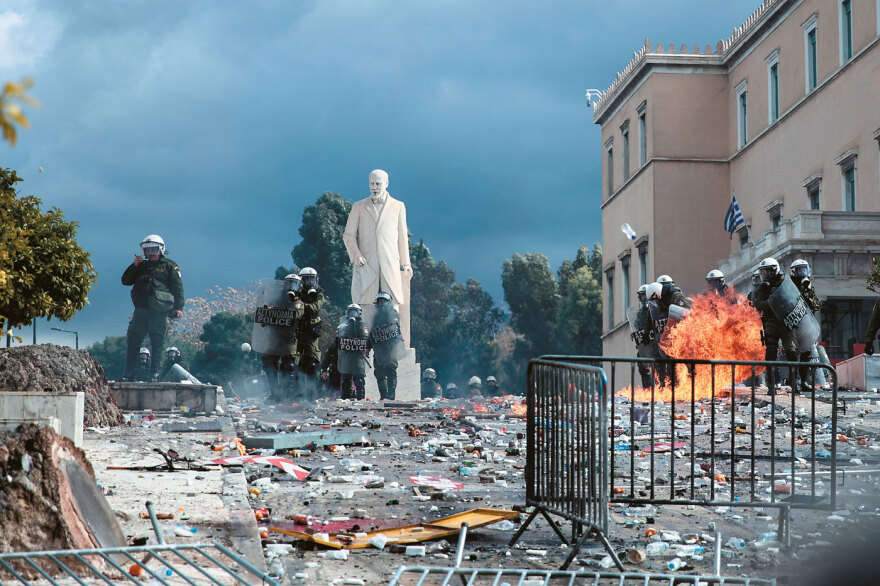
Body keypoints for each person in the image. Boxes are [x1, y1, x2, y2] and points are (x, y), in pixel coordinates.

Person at [343, 169, 413, 341]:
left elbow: (402, 238)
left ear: (386, 184)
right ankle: (367, 343)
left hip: (390, 265)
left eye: (378, 183)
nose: (374, 187)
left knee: (393, 306)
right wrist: (356, 254)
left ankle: (395, 342)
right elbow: (348, 235)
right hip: (367, 264)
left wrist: (406, 263)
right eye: (372, 183)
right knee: (367, 306)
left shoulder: (398, 206)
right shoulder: (358, 207)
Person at [121, 234, 185, 382]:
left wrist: (178, 307)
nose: (150, 253)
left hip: (159, 312)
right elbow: (125, 281)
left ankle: (154, 375)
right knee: (133, 341)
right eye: (147, 250)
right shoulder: (141, 265)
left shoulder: (169, 266)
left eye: (153, 250)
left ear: (161, 249)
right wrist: (134, 266)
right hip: (141, 310)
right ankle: (128, 374)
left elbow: (178, 288)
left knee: (157, 343)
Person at [753, 257, 798, 394]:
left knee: (791, 352)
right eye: (763, 272)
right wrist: (772, 302)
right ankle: (771, 385)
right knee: (771, 353)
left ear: (774, 270)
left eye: (767, 271)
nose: (765, 274)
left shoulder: (786, 282)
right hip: (771, 323)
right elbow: (759, 303)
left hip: (786, 322)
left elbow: (795, 298)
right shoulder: (763, 288)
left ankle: (794, 382)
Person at [260, 274, 305, 402]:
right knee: (268, 363)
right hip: (274, 337)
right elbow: (265, 316)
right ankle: (275, 394)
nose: (291, 286)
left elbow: (297, 314)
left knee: (288, 366)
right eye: (288, 283)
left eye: (294, 283)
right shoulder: (275, 299)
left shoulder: (299, 302)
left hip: (288, 339)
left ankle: (287, 395)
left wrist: (286, 305)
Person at [790, 259, 821, 391]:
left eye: (804, 269)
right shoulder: (789, 285)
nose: (802, 272)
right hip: (791, 324)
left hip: (805, 325)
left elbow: (816, 304)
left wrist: (807, 292)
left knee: (806, 353)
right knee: (792, 353)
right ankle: (794, 381)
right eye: (799, 270)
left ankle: (803, 381)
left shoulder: (809, 286)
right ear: (794, 272)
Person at [368, 291, 404, 400]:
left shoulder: (394, 314)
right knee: (379, 374)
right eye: (379, 301)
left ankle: (391, 395)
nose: (381, 303)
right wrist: (367, 347)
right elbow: (371, 333)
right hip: (379, 349)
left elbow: (394, 326)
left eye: (383, 301)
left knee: (391, 372)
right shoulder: (374, 317)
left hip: (391, 349)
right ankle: (383, 396)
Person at [296, 267, 325, 401]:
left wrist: (300, 305)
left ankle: (312, 396)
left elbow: (315, 307)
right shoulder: (295, 292)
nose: (308, 281)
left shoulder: (318, 293)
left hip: (310, 332)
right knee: (294, 363)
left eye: (311, 279)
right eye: (305, 278)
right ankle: (297, 395)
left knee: (311, 363)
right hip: (296, 331)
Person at [336, 304, 370, 400]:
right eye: (350, 311)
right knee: (346, 381)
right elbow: (339, 339)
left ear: (359, 313)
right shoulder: (343, 325)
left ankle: (361, 401)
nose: (352, 314)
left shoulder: (362, 325)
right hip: (346, 357)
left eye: (355, 311)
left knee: (359, 381)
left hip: (357, 357)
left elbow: (365, 338)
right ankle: (345, 400)